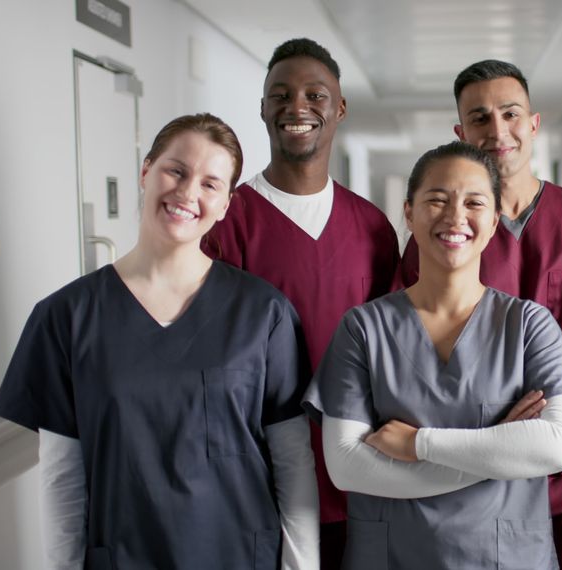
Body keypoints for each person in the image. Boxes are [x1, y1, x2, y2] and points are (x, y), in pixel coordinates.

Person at [0, 113, 318, 569]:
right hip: (124, 555)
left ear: (226, 204)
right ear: (146, 172)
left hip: (239, 553)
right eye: (176, 170)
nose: (187, 193)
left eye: (210, 184)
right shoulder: (67, 316)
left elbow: (292, 459)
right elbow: (62, 476)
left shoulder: (263, 313)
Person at [398, 59, 562, 569]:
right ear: (461, 132)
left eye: (510, 114)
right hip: (478, 453)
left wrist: (534, 359)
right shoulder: (446, 230)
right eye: (480, 119)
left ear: (533, 123)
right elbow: (407, 338)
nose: (497, 131)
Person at [304, 141, 562, 569]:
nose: (455, 216)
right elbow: (347, 467)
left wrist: (418, 443)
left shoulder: (531, 325)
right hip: (391, 557)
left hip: (505, 557)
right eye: (436, 200)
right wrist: (497, 452)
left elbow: (557, 447)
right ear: (409, 213)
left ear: (494, 222)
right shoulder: (363, 329)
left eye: (474, 202)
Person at [203, 38, 400, 568]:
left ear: (339, 108)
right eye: (281, 95)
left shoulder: (372, 228)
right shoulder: (228, 222)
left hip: (355, 464)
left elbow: (395, 347)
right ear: (263, 109)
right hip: (255, 468)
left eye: (316, 94)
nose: (297, 106)